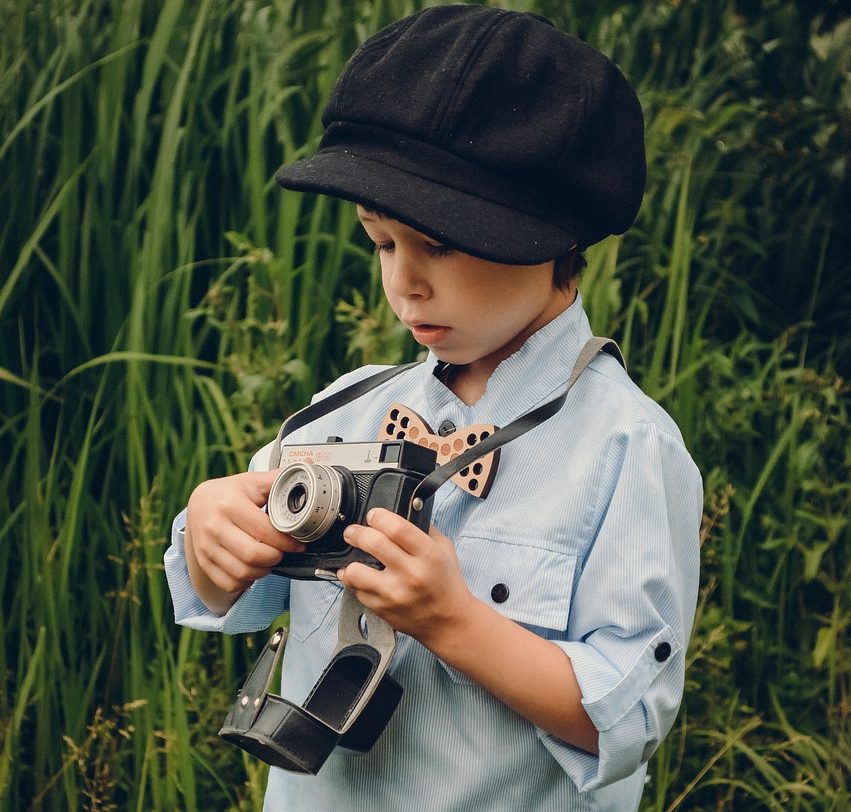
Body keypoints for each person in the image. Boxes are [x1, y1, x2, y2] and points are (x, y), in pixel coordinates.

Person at [164, 6, 702, 810]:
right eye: (382, 242)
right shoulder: (341, 414)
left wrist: (453, 622)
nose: (403, 282)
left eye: (437, 245)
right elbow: (228, 591)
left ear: (545, 237)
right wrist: (210, 531)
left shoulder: (625, 446)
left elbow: (626, 716)